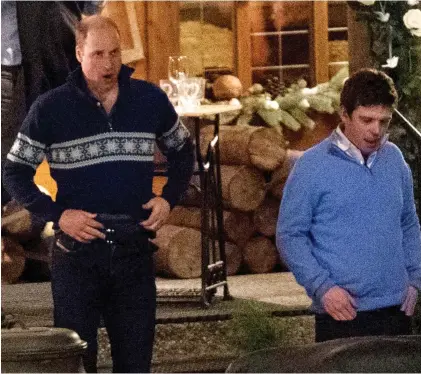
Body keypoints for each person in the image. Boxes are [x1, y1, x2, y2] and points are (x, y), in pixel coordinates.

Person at [3, 15, 195, 373]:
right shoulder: (51, 107)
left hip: (133, 250)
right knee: (76, 365)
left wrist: (168, 197)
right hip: (77, 257)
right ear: (79, 53)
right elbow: (14, 171)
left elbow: (183, 151)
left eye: (114, 53)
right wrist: (58, 214)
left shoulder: (148, 100)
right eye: (97, 54)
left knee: (136, 365)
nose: (108, 64)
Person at [276, 68, 421, 343]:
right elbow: (290, 236)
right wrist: (323, 288)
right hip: (340, 313)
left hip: (396, 309)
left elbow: (409, 223)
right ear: (344, 114)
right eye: (366, 119)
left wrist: (415, 280)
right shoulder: (312, 166)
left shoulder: (394, 159)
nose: (375, 130)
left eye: (383, 121)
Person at [1, 1, 103, 206]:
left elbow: (91, 6)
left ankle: (74, 229)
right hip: (11, 69)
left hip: (63, 61)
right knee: (7, 166)